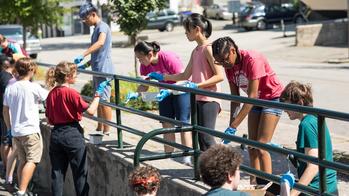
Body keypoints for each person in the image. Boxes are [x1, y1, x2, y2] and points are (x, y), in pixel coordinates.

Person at [211, 36, 283, 184]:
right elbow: (235, 99)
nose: (224, 64)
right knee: (251, 146)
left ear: (232, 50)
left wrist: (233, 126)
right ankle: (253, 183)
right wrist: (231, 125)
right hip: (255, 100)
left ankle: (268, 187)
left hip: (271, 98)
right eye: (220, 62)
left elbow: (251, 97)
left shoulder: (252, 59)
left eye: (225, 59)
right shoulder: (228, 66)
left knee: (262, 146)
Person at [148, 13, 224, 151]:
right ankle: (207, 171)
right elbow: (185, 74)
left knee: (207, 137)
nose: (185, 33)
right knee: (201, 139)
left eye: (187, 30)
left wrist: (196, 85)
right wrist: (163, 77)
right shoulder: (196, 51)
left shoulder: (209, 48)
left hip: (210, 98)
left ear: (197, 29)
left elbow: (219, 76)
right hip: (198, 97)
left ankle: (225, 169)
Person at [45, 61, 110, 196]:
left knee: (57, 174)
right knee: (80, 174)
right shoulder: (71, 93)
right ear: (68, 76)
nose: (76, 76)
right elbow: (91, 111)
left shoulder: (51, 94)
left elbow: (49, 119)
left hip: (56, 134)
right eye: (75, 74)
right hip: (72, 135)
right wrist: (97, 95)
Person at [126, 41, 192, 164]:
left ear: (150, 54)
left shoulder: (167, 58)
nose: (139, 61)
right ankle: (168, 156)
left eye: (140, 58)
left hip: (181, 91)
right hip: (164, 93)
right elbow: (145, 85)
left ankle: (187, 156)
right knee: (166, 124)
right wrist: (136, 94)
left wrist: (168, 86)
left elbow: (183, 77)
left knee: (183, 124)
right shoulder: (145, 65)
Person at [280, 81, 338, 196]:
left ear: (300, 103)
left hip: (315, 190)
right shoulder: (315, 117)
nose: (284, 110)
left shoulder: (306, 125)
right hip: (329, 187)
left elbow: (313, 166)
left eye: (287, 105)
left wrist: (293, 194)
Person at [3, 57, 48, 196]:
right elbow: (50, 98)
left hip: (16, 131)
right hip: (31, 130)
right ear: (31, 70)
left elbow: (5, 110)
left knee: (22, 161)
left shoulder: (10, 88)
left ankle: (23, 189)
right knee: (32, 160)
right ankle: (22, 191)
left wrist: (10, 128)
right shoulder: (34, 87)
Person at [74, 2, 115, 135]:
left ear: (93, 14)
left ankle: (107, 131)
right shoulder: (95, 29)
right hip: (97, 69)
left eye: (86, 19)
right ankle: (99, 127)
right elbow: (97, 54)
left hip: (104, 70)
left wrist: (83, 54)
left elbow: (100, 43)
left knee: (104, 101)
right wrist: (85, 64)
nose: (85, 22)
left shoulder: (103, 27)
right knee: (97, 99)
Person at [0, 55, 17, 191]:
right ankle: (7, 170)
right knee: (7, 142)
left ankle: (5, 167)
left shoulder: (3, 75)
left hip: (2, 111)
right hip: (5, 113)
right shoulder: (6, 77)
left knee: (3, 141)